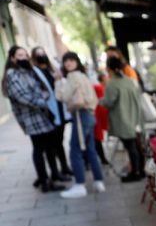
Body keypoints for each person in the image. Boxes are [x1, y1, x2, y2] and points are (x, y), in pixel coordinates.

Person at [2, 46, 64, 192]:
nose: (23, 57)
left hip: (42, 115)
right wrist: (43, 101)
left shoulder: (28, 71)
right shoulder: (12, 74)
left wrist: (44, 97)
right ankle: (44, 181)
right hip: (31, 117)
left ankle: (51, 176)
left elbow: (42, 90)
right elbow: (22, 96)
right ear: (12, 58)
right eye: (19, 55)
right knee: (39, 148)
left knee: (49, 146)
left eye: (25, 54)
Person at [54, 52, 105, 198]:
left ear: (76, 62)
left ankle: (80, 184)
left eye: (71, 60)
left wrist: (57, 81)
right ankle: (98, 181)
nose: (68, 63)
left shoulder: (72, 77)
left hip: (80, 115)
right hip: (90, 115)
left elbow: (62, 97)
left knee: (75, 150)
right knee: (90, 149)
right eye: (66, 61)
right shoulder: (84, 76)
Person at [31, 46, 73, 180]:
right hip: (49, 112)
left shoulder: (52, 70)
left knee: (60, 140)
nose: (41, 55)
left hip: (60, 108)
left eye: (42, 52)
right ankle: (55, 172)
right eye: (38, 53)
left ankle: (64, 167)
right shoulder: (35, 72)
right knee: (52, 143)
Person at [99, 56, 144, 183]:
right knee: (136, 145)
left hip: (123, 119)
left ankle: (135, 172)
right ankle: (140, 170)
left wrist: (99, 100)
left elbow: (108, 102)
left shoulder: (112, 83)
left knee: (131, 147)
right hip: (135, 117)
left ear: (108, 69)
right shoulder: (129, 80)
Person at [93, 72, 110, 165]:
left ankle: (102, 158)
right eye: (106, 77)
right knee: (97, 138)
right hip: (98, 116)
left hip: (100, 115)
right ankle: (102, 158)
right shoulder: (98, 88)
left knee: (97, 138)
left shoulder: (102, 88)